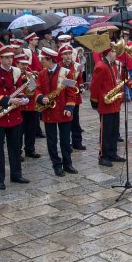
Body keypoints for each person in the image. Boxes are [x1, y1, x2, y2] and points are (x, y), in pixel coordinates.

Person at [0, 45, 30, 189]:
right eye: (6, 58)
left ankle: (16, 174)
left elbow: (19, 90)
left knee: (15, 147)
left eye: (11, 57)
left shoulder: (16, 72)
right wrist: (8, 100)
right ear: (0, 59)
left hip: (14, 115)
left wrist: (23, 98)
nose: (9, 60)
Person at [36, 47, 78, 177]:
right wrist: (40, 97)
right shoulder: (41, 74)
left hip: (63, 111)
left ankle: (68, 163)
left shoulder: (66, 73)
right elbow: (37, 89)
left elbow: (71, 93)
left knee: (65, 140)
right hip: (48, 111)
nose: (41, 61)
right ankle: (56, 165)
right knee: (51, 141)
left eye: (43, 59)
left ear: (50, 60)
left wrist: (69, 108)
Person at [90, 45, 126, 167]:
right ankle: (103, 156)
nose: (116, 53)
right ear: (108, 53)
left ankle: (112, 153)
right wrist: (94, 102)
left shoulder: (114, 65)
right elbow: (95, 87)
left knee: (114, 130)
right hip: (105, 103)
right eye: (114, 51)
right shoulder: (100, 66)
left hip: (114, 102)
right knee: (105, 131)